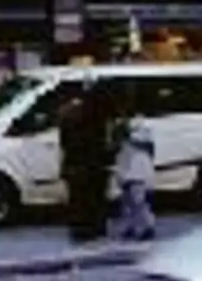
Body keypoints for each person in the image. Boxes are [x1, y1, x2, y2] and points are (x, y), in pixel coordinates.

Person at [59, 81, 112, 242]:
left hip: (76, 163)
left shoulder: (69, 114)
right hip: (95, 162)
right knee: (96, 197)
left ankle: (80, 230)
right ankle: (96, 228)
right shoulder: (100, 114)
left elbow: (64, 141)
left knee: (78, 199)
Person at [112, 95, 156, 241]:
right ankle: (130, 227)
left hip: (138, 168)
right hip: (126, 166)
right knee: (127, 201)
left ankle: (147, 227)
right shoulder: (121, 126)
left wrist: (126, 134)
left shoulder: (143, 125)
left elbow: (145, 143)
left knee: (139, 200)